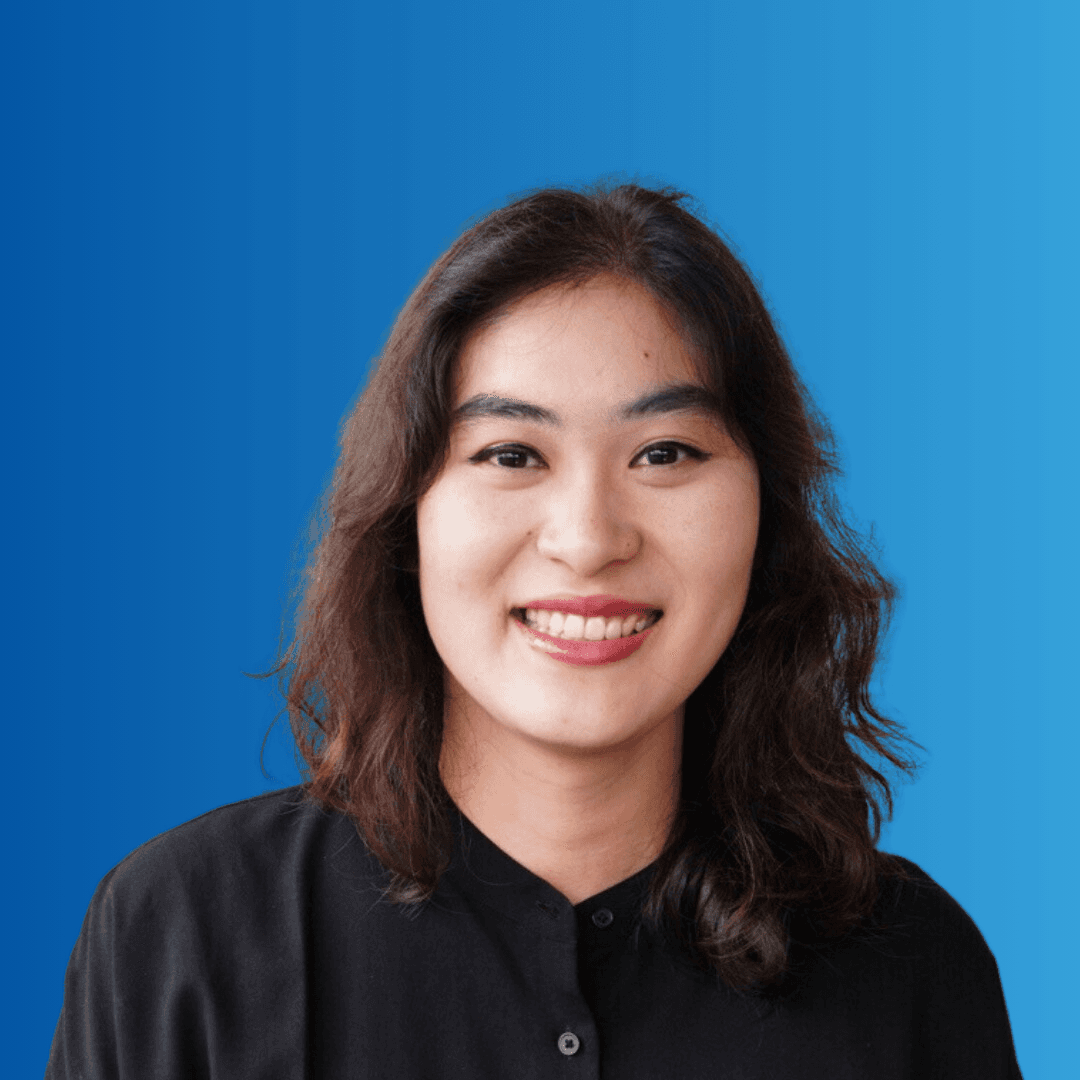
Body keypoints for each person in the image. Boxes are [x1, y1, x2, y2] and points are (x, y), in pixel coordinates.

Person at [46, 183, 1022, 1078]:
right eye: (511, 452)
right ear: (405, 514)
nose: (589, 539)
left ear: (765, 511)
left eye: (665, 451)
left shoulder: (912, 969)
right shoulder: (182, 932)